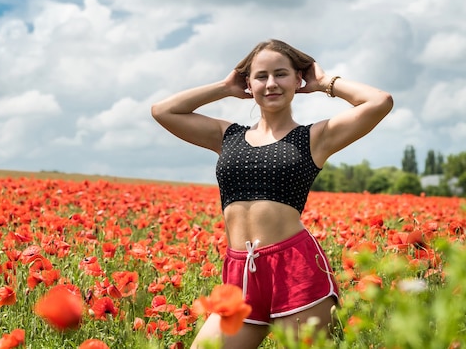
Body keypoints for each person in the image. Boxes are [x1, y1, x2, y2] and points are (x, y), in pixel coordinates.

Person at [151, 39, 393, 348]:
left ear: (297, 79)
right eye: (261, 76)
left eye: (281, 74)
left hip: (294, 268)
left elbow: (380, 101)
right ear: (248, 83)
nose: (271, 83)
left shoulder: (315, 137)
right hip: (241, 273)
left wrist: (324, 83)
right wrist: (225, 87)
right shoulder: (227, 136)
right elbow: (163, 111)